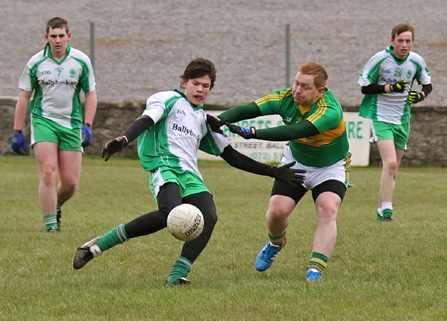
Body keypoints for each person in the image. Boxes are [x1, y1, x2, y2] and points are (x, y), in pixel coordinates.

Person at [72, 58, 305, 286]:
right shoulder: (168, 99)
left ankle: (178, 274)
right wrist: (124, 139)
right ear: (184, 82)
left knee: (209, 217)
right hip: (164, 167)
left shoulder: (204, 120)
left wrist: (274, 172)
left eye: (206, 86)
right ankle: (98, 245)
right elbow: (145, 120)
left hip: (190, 175)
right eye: (196, 83)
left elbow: (232, 156)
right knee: (168, 213)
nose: (200, 90)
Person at [207, 62, 351, 282]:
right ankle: (275, 243)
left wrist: (254, 133)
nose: (297, 90)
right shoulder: (286, 98)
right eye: (296, 83)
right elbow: (252, 108)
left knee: (328, 208)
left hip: (330, 167)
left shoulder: (329, 110)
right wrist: (221, 119)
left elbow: (297, 129)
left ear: (320, 91)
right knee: (277, 212)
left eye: (305, 87)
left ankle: (315, 269)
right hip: (297, 161)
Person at [11, 17, 97, 232]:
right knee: (49, 172)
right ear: (46, 37)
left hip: (71, 123)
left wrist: (87, 124)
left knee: (70, 182)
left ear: (68, 36)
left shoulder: (81, 61)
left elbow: (91, 93)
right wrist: (17, 131)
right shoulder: (36, 63)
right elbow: (24, 97)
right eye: (53, 36)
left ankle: (56, 205)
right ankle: (51, 227)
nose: (57, 40)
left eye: (61, 36)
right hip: (43, 121)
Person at [358, 23, 432, 222]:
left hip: (402, 119)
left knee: (393, 168)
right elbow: (365, 87)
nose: (404, 45)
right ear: (392, 41)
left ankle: (382, 209)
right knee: (389, 164)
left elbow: (428, 84)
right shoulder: (380, 59)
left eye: (408, 41)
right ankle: (388, 210)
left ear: (412, 42)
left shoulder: (416, 61)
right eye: (400, 41)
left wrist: (421, 96)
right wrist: (390, 88)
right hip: (380, 116)